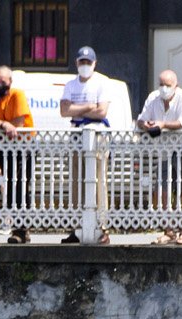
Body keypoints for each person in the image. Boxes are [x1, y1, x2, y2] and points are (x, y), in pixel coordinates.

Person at [59, 46, 116, 244]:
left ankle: (102, 228)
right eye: (81, 62)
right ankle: (77, 227)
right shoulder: (70, 85)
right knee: (76, 181)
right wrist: (88, 107)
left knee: (99, 180)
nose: (84, 66)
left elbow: (102, 112)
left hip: (97, 135)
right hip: (77, 135)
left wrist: (78, 110)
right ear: (77, 63)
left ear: (94, 64)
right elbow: (64, 111)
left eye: (88, 63)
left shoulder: (102, 83)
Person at [137, 68, 182, 245]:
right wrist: (146, 125)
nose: (164, 88)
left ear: (175, 85)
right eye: (161, 84)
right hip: (164, 149)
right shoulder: (153, 98)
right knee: (163, 189)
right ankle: (168, 230)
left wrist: (163, 124)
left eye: (168, 85)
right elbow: (141, 119)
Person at [0, 65, 35, 244]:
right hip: (5, 147)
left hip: (24, 146)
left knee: (21, 185)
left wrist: (6, 124)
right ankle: (17, 228)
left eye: (3, 82)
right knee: (11, 186)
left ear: (10, 82)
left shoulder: (17, 95)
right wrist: (5, 125)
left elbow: (19, 122)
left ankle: (22, 228)